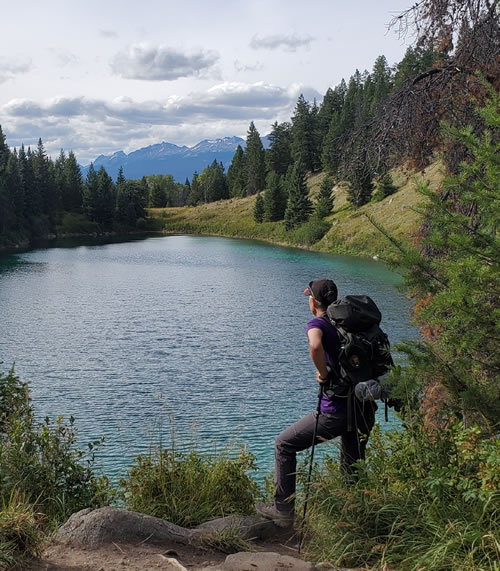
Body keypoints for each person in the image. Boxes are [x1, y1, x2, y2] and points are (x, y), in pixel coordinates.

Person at [256, 278, 377, 527]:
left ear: (313, 302)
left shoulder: (318, 322)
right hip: (364, 409)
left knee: (284, 444)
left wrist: (322, 372)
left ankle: (283, 512)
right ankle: (356, 523)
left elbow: (315, 344)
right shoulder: (352, 323)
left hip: (335, 413)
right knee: (352, 469)